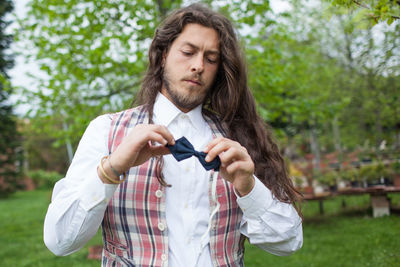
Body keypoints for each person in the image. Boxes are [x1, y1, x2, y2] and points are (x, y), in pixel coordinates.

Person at [44, 4, 303, 267]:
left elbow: (288, 241)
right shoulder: (105, 131)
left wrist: (248, 186)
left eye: (211, 59)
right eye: (188, 52)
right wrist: (111, 169)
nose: (198, 66)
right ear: (164, 54)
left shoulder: (239, 138)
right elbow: (60, 241)